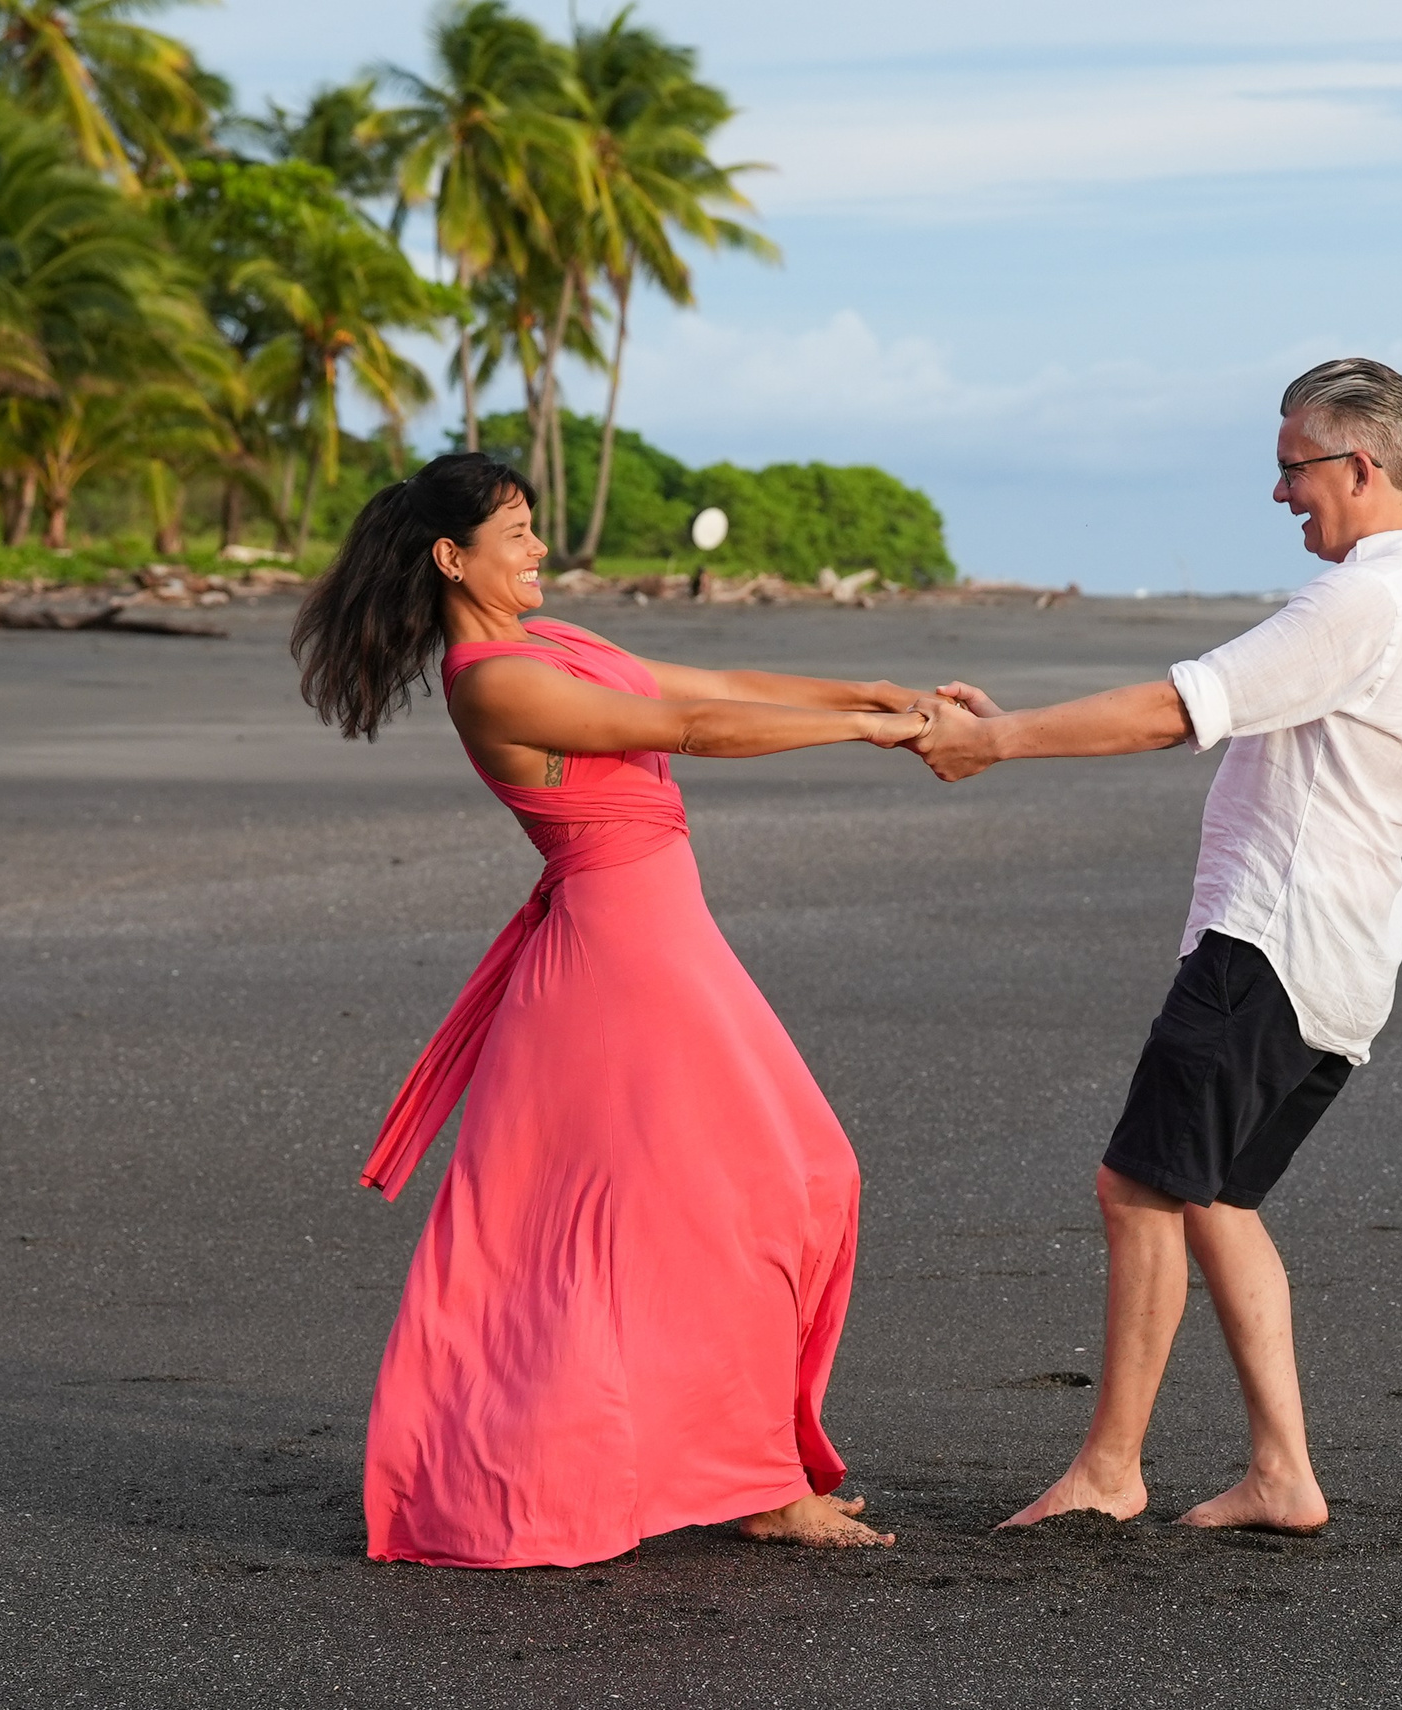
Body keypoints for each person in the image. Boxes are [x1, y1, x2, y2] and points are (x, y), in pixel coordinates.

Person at [292, 452, 934, 1569]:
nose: (541, 550)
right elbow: (690, 727)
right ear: (455, 558)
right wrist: (864, 734)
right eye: (520, 532)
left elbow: (695, 678)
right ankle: (760, 1486)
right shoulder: (492, 679)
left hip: (661, 944)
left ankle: (730, 1465)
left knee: (800, 1178)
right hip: (618, 959)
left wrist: (867, 694)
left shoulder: (547, 641)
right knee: (744, 1199)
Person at [911, 359, 1402, 1535]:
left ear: (1359, 467)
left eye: (1291, 469)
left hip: (1270, 944)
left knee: (1139, 1187)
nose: (1278, 496)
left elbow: (1181, 707)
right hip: (1343, 958)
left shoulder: (1366, 602)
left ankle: (1113, 1469)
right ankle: (1281, 1475)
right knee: (1213, 1198)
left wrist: (997, 741)